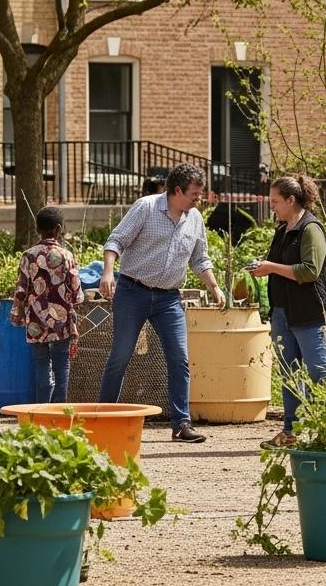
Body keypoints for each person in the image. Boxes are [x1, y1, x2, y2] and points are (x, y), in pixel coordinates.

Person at [99, 163, 225, 444]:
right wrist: (108, 272)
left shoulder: (194, 219)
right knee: (120, 355)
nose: (198, 199)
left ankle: (181, 424)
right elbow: (115, 241)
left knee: (179, 358)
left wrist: (214, 286)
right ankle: (104, 418)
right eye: (194, 194)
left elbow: (199, 259)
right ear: (177, 190)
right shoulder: (145, 207)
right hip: (133, 291)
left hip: (169, 298)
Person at [250, 175, 326, 449]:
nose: (272, 206)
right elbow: (280, 264)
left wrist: (271, 267)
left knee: (319, 372)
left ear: (291, 200)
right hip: (283, 313)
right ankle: (291, 431)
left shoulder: (311, 229)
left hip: (310, 314)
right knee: (289, 373)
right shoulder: (283, 229)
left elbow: (310, 271)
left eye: (275, 201)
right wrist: (263, 268)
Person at [11, 207, 84, 405]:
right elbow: (76, 292)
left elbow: (21, 288)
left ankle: (41, 409)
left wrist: (17, 311)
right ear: (59, 229)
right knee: (62, 365)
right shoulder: (67, 255)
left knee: (41, 365)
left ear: (38, 229)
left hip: (35, 319)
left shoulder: (28, 255)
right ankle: (59, 409)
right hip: (61, 321)